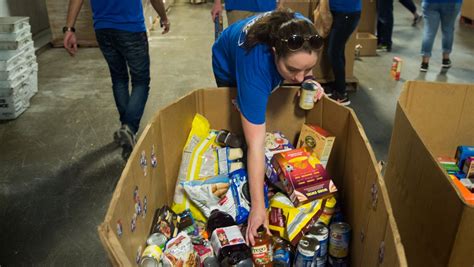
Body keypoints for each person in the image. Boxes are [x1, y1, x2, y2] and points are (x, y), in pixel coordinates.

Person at [212, 10, 325, 245]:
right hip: (227, 61)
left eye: (307, 68)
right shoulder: (255, 66)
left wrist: (310, 80)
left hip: (263, 59)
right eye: (293, 70)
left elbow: (303, 68)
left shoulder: (303, 31)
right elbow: (256, 145)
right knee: (246, 129)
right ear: (274, 52)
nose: (299, 77)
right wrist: (258, 207)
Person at [63, 0, 170, 160]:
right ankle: (129, 127)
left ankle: (126, 129)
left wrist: (69, 29)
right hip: (130, 27)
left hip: (103, 29)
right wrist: (164, 17)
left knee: (119, 78)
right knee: (141, 81)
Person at [327, 0, 361, 105]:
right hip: (342, 13)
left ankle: (341, 94)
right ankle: (338, 86)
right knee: (338, 51)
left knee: (334, 53)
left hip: (346, 14)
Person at [419, 0, 462, 72]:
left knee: (429, 31)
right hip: (452, 3)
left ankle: (424, 63)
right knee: (448, 29)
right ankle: (445, 59)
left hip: (430, 3)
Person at [211, 0, 281, 26]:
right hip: (238, 5)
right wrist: (217, 2)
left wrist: (281, 3)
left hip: (267, 5)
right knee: (238, 44)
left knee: (266, 48)